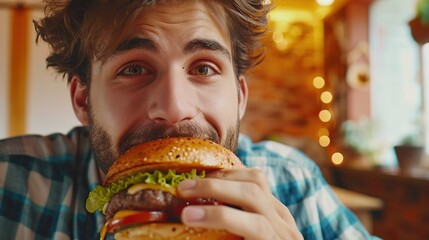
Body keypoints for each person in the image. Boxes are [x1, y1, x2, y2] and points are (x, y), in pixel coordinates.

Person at [0, 0, 377, 239]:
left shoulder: (292, 184)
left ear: (240, 97)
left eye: (204, 68)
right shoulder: (12, 181)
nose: (175, 107)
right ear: (83, 99)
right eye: (133, 68)